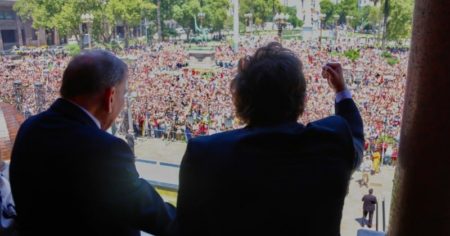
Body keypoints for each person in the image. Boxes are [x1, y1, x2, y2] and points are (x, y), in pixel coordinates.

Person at [175, 42, 364, 235]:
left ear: (239, 99)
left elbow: (187, 226)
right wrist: (341, 91)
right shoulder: (332, 142)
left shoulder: (205, 154)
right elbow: (355, 137)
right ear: (302, 100)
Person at [10, 50, 175, 235]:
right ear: (110, 97)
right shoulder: (104, 150)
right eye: (123, 94)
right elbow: (152, 215)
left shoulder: (29, 128)